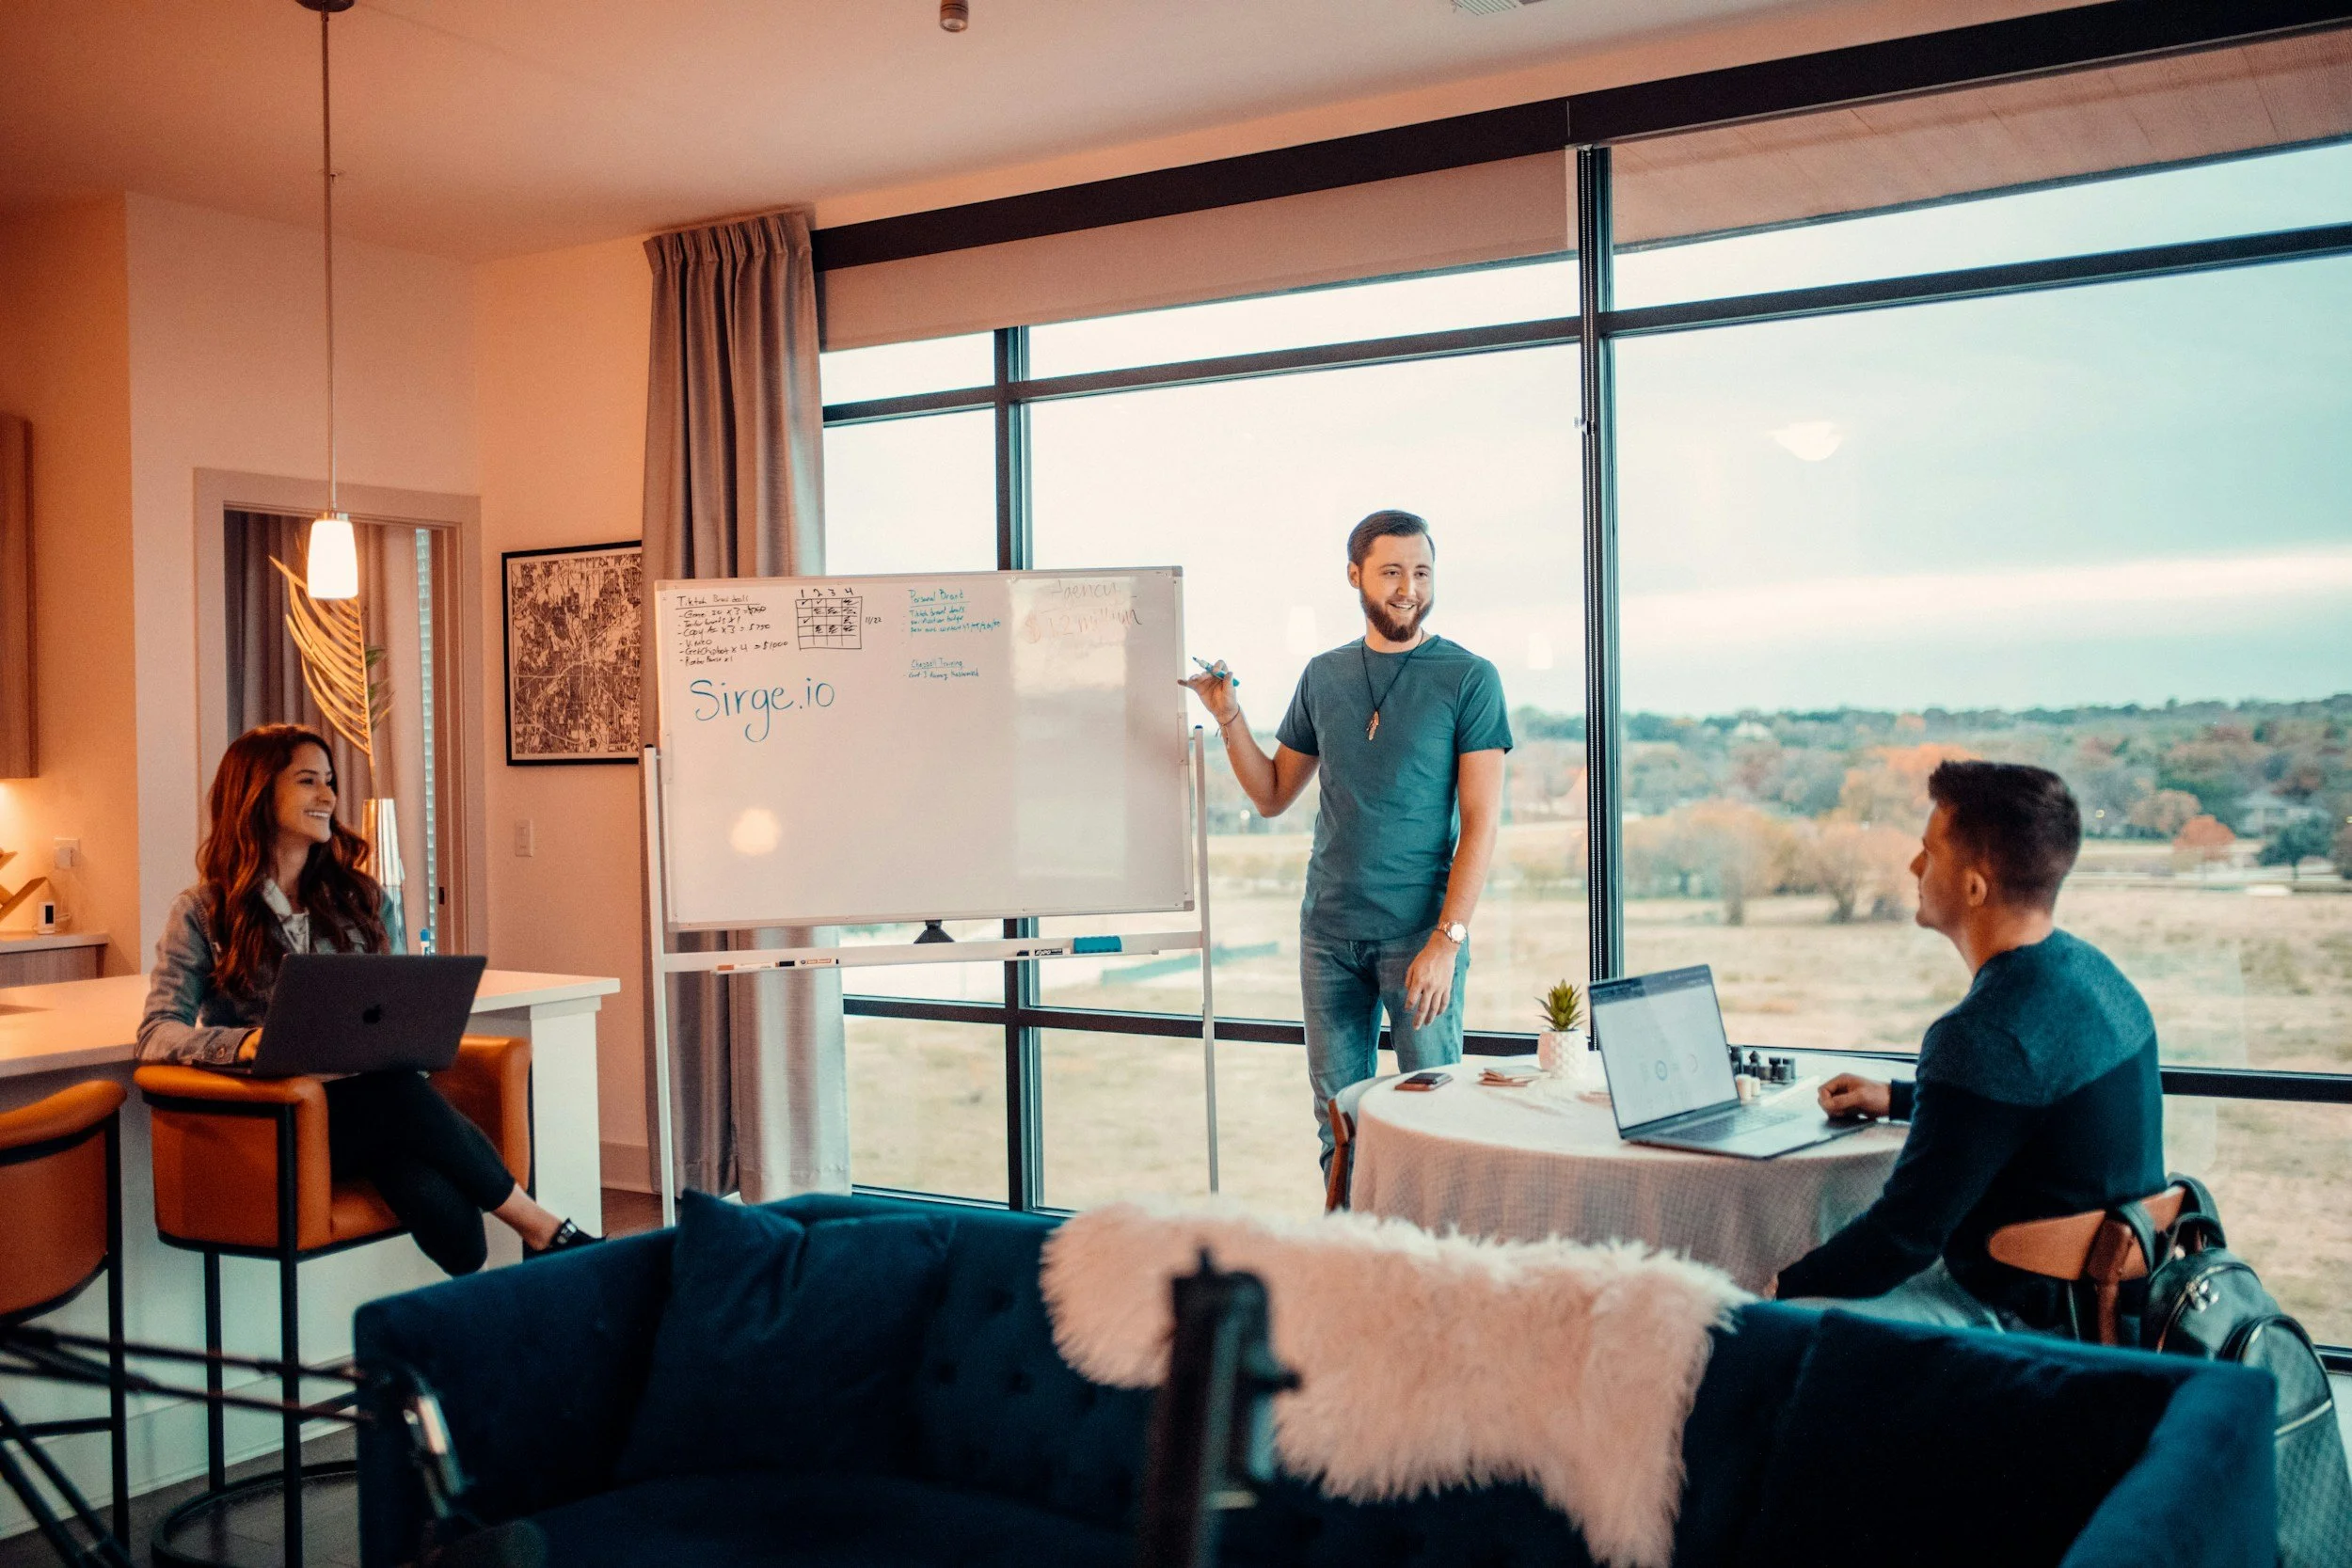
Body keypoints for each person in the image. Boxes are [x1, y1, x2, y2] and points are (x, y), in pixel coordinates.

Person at [140, 723, 598, 1275]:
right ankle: (544, 1228)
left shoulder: (363, 899)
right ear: (257, 793)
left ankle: (494, 1302)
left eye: (330, 782)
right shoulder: (201, 910)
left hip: (379, 1111)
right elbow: (157, 1031)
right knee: (398, 1097)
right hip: (283, 1120)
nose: (328, 797)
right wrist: (245, 1045)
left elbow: (398, 1007)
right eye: (308, 781)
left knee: (460, 1239)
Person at [1774, 760, 2163, 1330]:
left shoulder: (1981, 1034)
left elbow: (1900, 1240)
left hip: (2028, 1320)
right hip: (2116, 1304)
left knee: (1785, 1320)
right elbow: (2029, 1112)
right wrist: (1903, 1098)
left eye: (1929, 852)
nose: (1913, 865)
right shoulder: (2094, 975)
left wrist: (1776, 1288)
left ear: (1974, 886)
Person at [1182, 510, 1511, 1175]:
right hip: (1328, 935)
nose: (1408, 588)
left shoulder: (1470, 678)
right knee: (1338, 1124)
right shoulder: (1323, 675)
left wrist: (1447, 942)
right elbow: (1273, 794)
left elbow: (1481, 821)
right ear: (1356, 576)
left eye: (1421, 572)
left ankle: (1430, 1274)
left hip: (1419, 937)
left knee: (1435, 1124)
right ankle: (1349, 1261)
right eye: (1392, 572)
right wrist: (1228, 716)